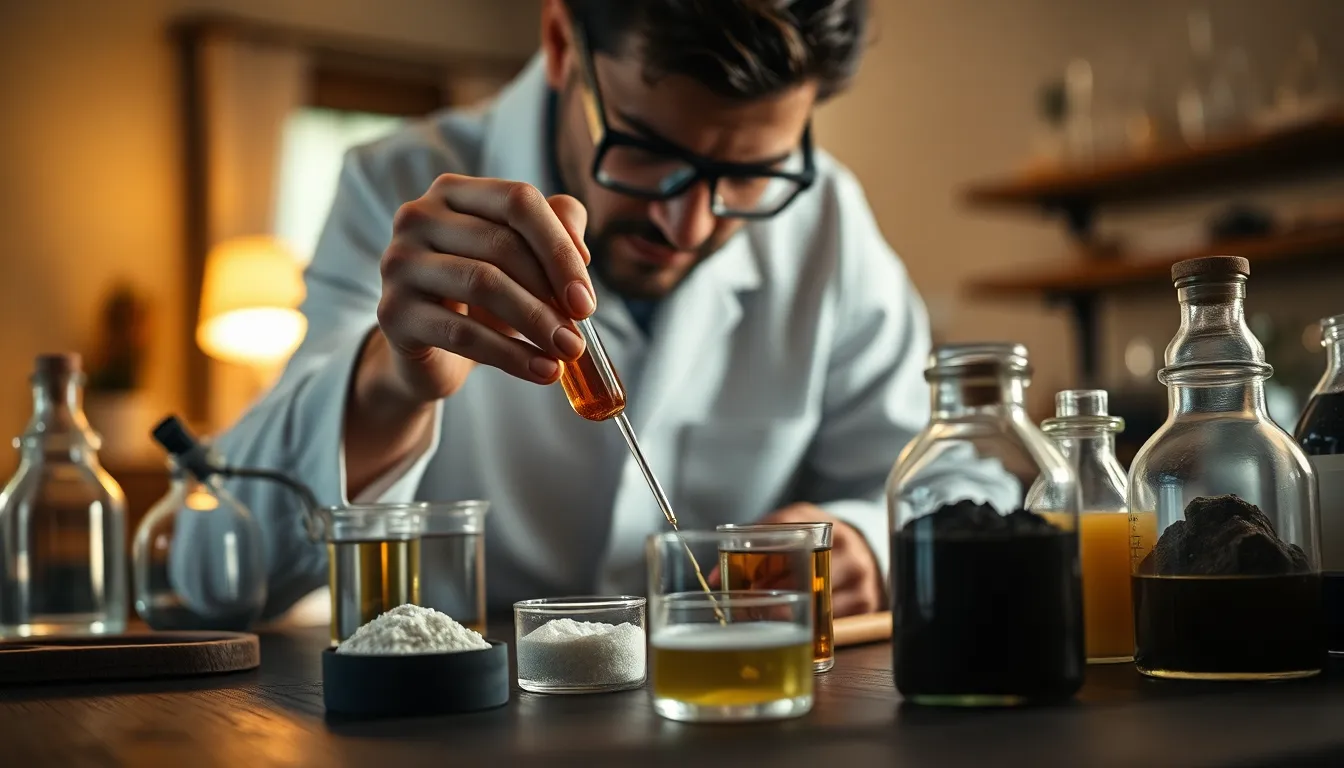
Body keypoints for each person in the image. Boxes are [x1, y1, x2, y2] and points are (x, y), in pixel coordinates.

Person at [217, 0, 956, 622]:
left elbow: (949, 480)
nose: (688, 227)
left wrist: (867, 544)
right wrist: (388, 385)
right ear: (561, 43)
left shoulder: (827, 222)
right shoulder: (394, 185)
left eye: (749, 175)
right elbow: (215, 574)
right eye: (648, 151)